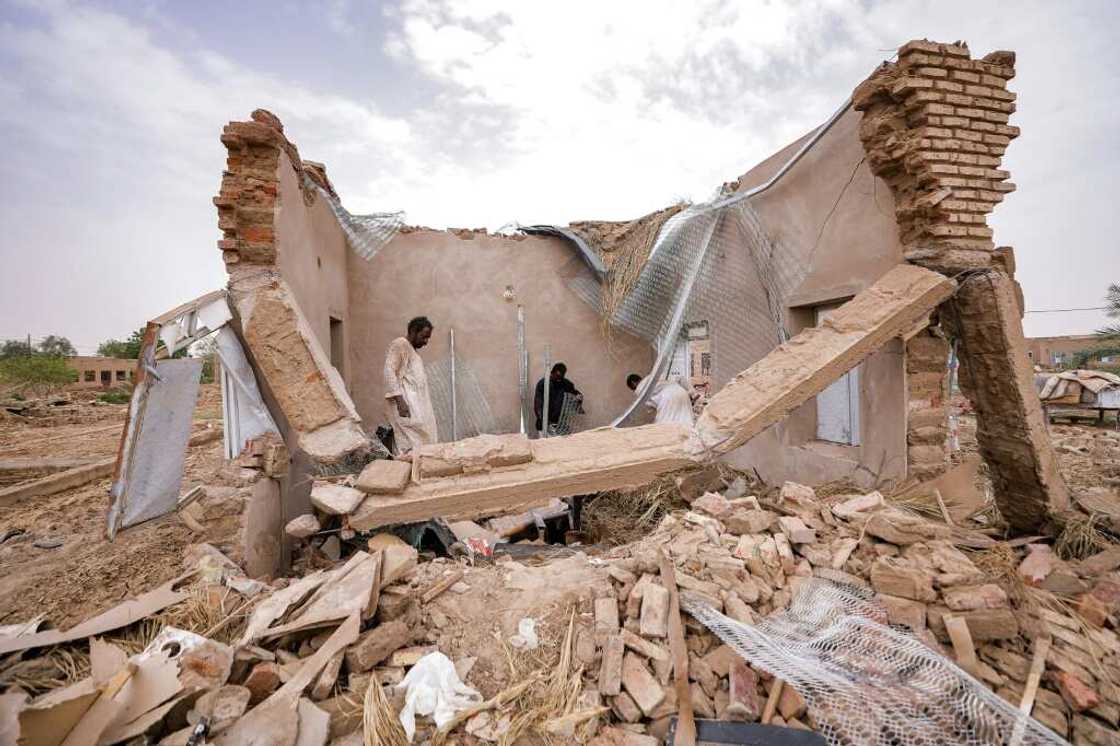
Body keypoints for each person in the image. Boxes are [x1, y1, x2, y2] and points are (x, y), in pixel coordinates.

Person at [384, 316, 438, 456]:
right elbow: (389, 371)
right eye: (424, 337)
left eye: (428, 338)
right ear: (414, 331)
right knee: (409, 445)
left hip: (416, 407)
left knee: (421, 443)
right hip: (406, 406)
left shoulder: (411, 350)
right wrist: (400, 401)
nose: (426, 342)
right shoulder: (400, 344)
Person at [627, 372, 695, 426]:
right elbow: (680, 377)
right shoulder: (654, 375)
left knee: (664, 427)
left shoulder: (639, 390)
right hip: (681, 391)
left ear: (633, 383)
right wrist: (692, 393)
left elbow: (651, 406)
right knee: (686, 421)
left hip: (668, 398)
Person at [534, 362, 582, 436]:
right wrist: (545, 422)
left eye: (560, 378)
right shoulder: (543, 384)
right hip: (544, 425)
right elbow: (538, 405)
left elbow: (575, 393)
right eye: (556, 377)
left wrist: (578, 396)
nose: (558, 380)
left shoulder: (565, 383)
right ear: (552, 373)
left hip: (560, 424)